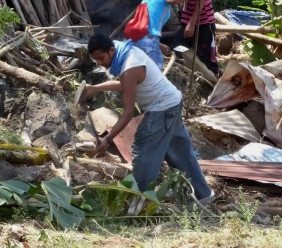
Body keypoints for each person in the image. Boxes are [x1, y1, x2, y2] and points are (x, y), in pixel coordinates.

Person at [81, 34, 215, 204]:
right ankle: (203, 195)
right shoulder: (127, 51)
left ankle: (137, 202)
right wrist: (94, 89)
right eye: (96, 60)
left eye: (101, 58)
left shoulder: (129, 68)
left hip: (161, 109)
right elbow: (126, 85)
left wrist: (107, 139)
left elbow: (128, 112)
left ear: (112, 50)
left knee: (143, 153)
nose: (99, 63)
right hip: (173, 101)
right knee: (180, 152)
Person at [132, 0, 203, 69]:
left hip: (136, 39)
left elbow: (148, 25)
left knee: (141, 70)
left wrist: (158, 44)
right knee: (156, 73)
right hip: (148, 41)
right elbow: (175, 0)